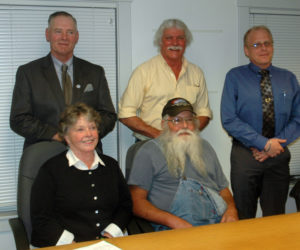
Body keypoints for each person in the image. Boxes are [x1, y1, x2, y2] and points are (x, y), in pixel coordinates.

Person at [221, 25, 300, 219]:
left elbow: (297, 119)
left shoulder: (288, 78)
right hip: (246, 157)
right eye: (256, 44)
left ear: (273, 47)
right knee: (244, 215)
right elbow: (229, 119)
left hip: (278, 156)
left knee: (275, 217)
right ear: (246, 50)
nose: (263, 48)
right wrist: (263, 144)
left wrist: (274, 145)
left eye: (267, 43)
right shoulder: (234, 77)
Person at [10, 11, 116, 151]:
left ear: (76, 37)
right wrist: (57, 135)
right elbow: (19, 119)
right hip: (44, 154)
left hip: (87, 153)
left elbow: (108, 115)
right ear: (48, 34)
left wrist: (85, 133)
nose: (64, 37)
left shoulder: (95, 72)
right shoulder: (28, 73)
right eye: (58, 31)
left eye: (70, 32)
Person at [30, 103, 132, 247]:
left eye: (92, 127)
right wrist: (71, 244)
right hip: (66, 245)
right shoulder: (50, 170)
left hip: (109, 243)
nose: (89, 134)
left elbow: (125, 205)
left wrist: (112, 232)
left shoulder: (111, 166)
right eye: (80, 129)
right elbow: (41, 218)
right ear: (66, 136)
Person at [127, 97, 238, 231]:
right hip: (173, 228)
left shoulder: (206, 147)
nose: (184, 126)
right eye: (177, 120)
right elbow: (137, 203)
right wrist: (172, 221)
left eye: (189, 120)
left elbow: (223, 189)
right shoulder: (148, 151)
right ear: (164, 124)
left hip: (216, 225)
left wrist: (231, 210)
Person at [118, 19, 212, 141]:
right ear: (160, 42)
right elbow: (125, 114)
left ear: (186, 42)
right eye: (169, 38)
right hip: (150, 143)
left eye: (180, 38)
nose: (175, 42)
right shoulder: (143, 72)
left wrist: (187, 132)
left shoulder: (196, 73)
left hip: (186, 144)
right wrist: (159, 135)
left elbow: (204, 112)